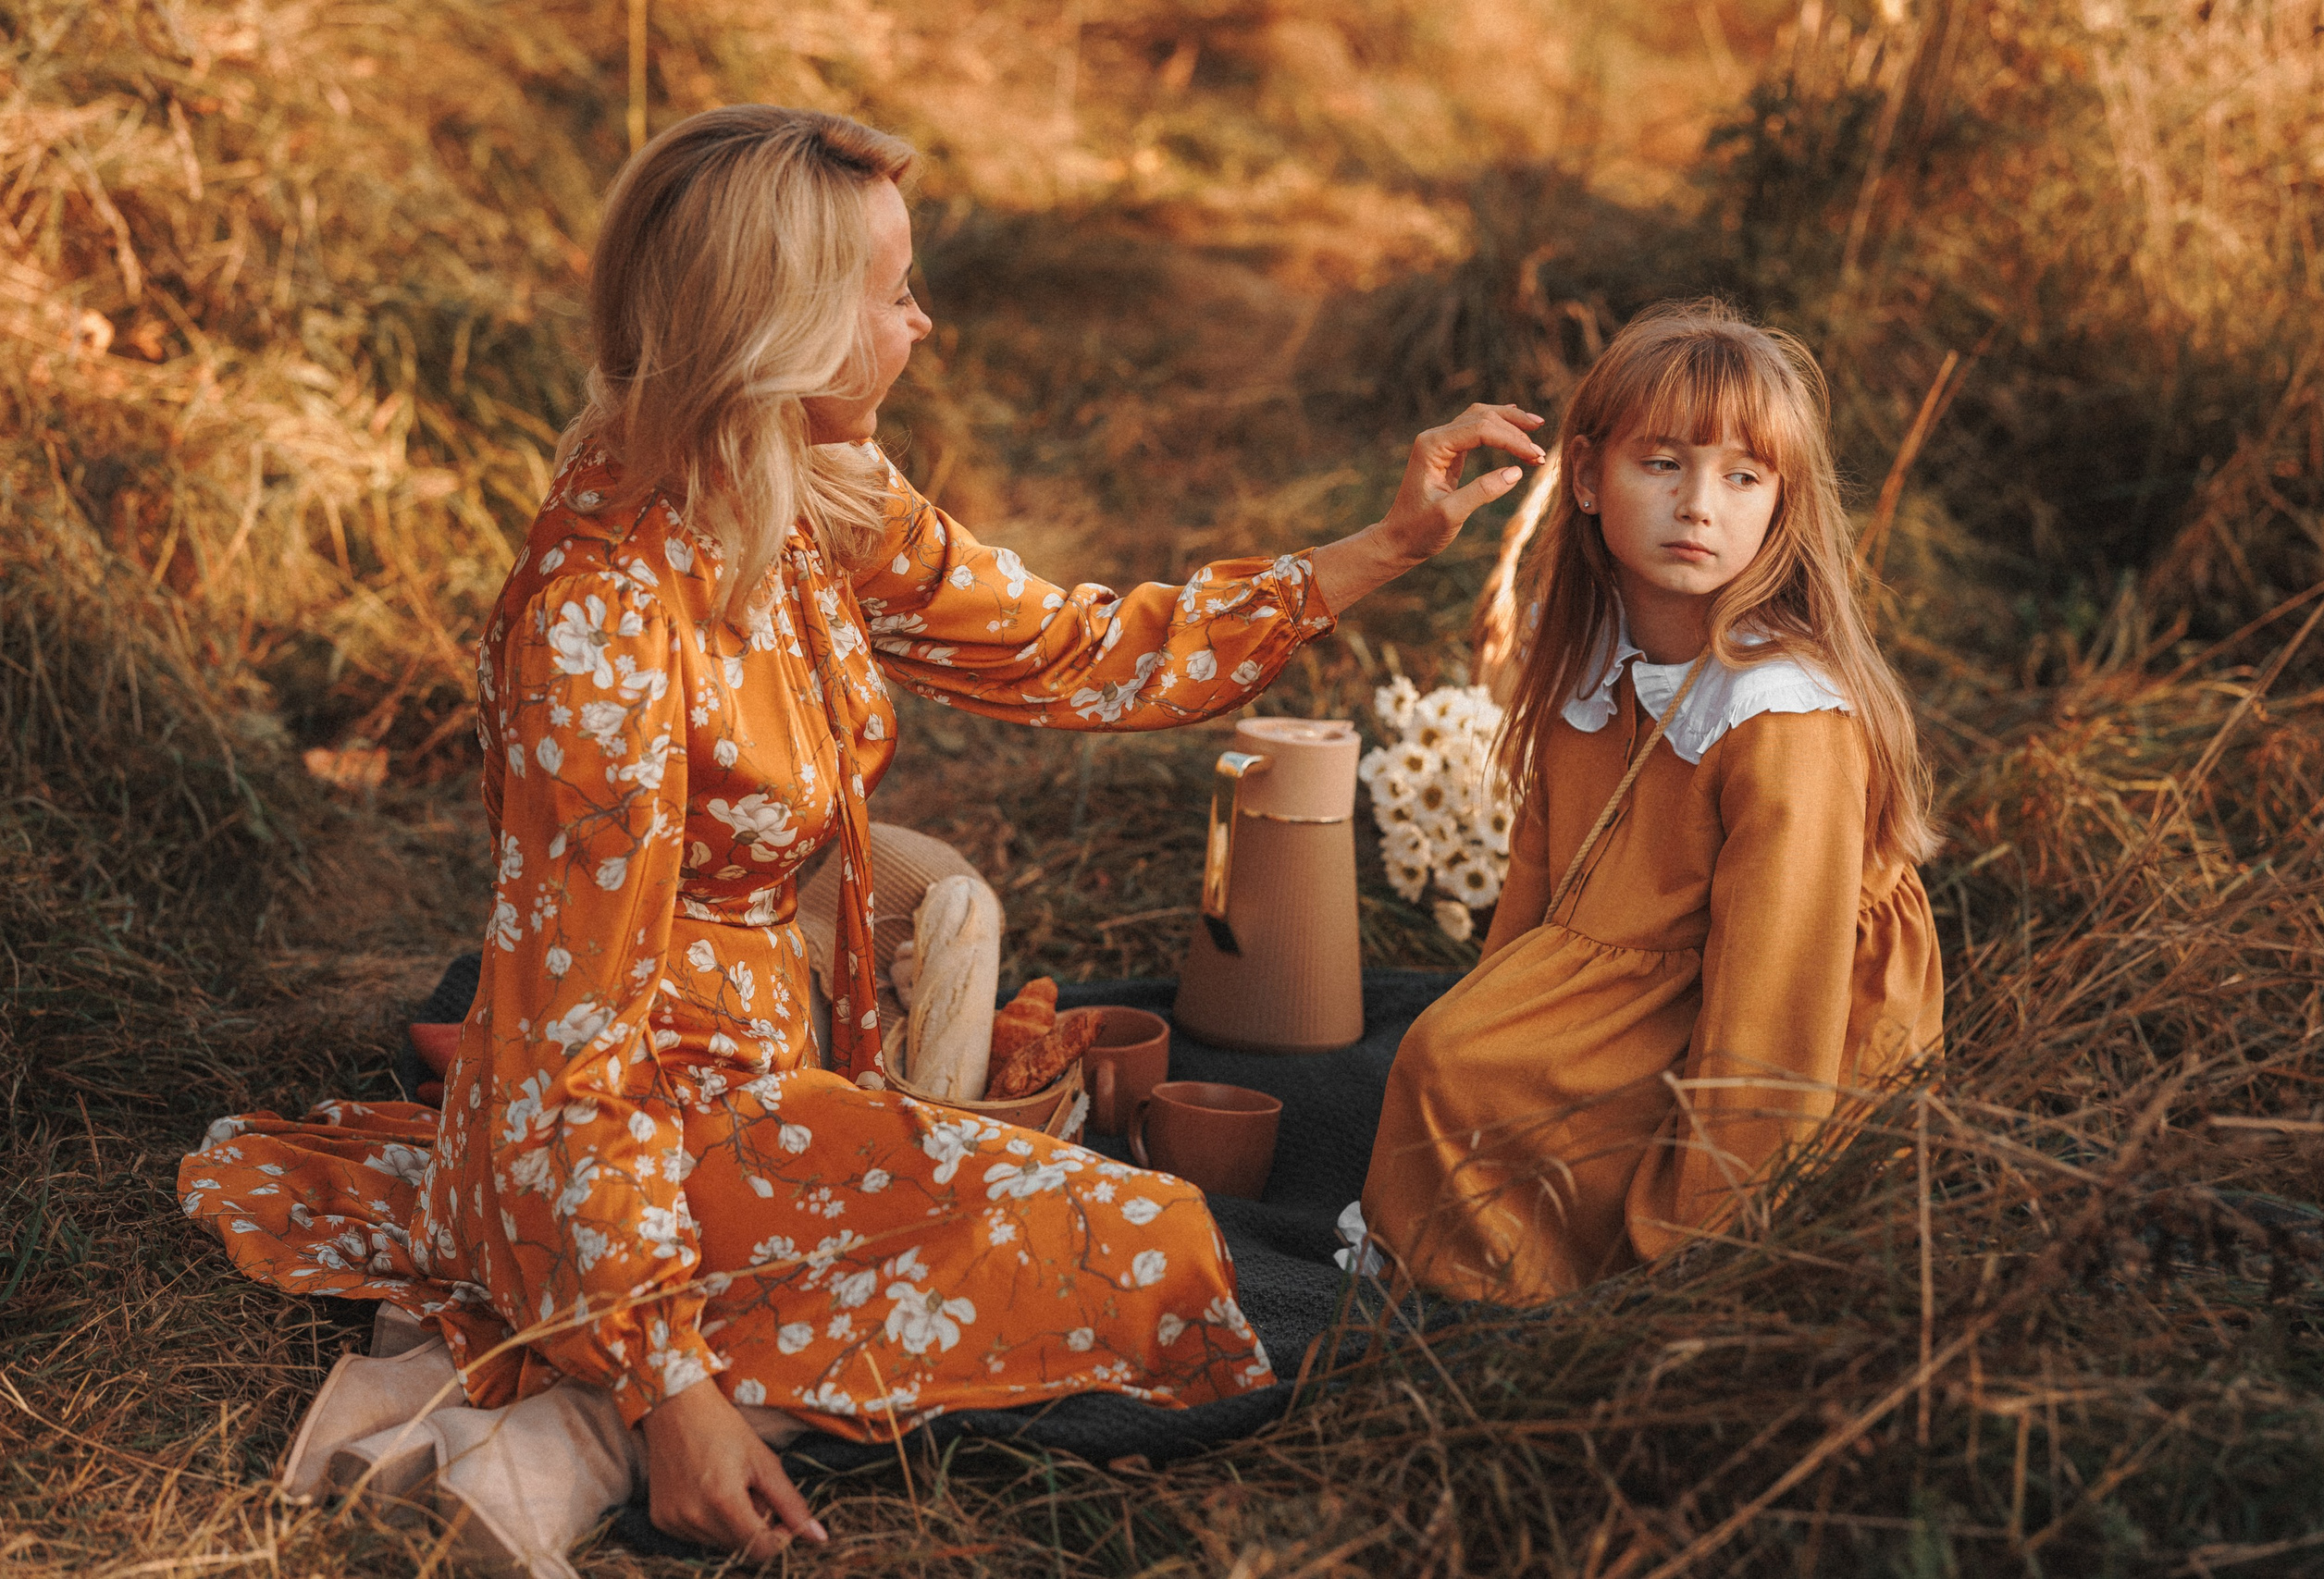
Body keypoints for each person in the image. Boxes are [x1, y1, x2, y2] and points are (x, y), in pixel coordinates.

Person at [176, 105, 1546, 1559]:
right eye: (891, 293)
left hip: (783, 1075)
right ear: (778, 321)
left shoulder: (811, 490)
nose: (925, 322)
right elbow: (577, 1046)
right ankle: (607, 1403)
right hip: (640, 1122)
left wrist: (1384, 544)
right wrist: (665, 1384)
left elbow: (1075, 650)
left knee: (1136, 1234)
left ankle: (688, 1367)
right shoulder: (604, 617)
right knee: (1142, 1254)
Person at [1356, 301, 1946, 1304]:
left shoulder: (1782, 720)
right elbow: (1538, 893)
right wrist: (1494, 1015)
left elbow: (1774, 1013)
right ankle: (1450, 1266)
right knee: (1448, 1054)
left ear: (1780, 505)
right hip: (1643, 973)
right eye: (1662, 464)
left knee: (1461, 1070)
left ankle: (1560, 1282)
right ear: (1586, 478)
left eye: (1742, 476)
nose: (1698, 505)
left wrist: (1705, 1242)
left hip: (1771, 1016)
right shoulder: (1593, 665)